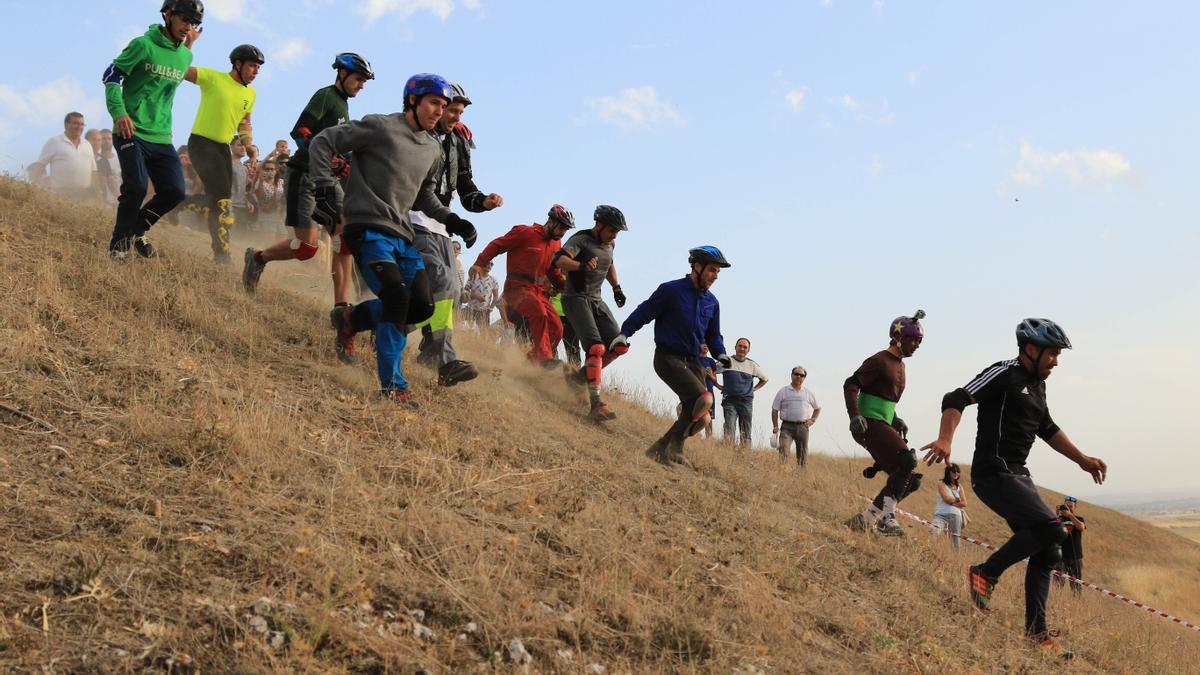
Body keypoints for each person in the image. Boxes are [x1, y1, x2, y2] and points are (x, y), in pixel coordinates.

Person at [920, 318, 1107, 658]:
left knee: (1049, 550)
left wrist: (1081, 459)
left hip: (1018, 474)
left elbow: (1047, 428)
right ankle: (985, 572)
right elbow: (956, 397)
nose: (1056, 361)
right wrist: (946, 438)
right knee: (1054, 530)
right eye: (1052, 353)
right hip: (993, 472)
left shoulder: (1038, 385)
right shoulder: (1004, 372)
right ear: (1030, 349)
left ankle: (1037, 633)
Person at [309, 73, 472, 403]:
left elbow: (425, 195)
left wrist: (452, 219)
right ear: (412, 100)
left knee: (421, 306)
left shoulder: (432, 150)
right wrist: (325, 188)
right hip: (366, 227)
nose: (439, 111)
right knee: (397, 298)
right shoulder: (380, 127)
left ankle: (351, 319)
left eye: (443, 106)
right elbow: (322, 142)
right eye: (433, 103)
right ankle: (393, 386)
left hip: (402, 234)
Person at [242, 53, 374, 341]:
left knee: (344, 238)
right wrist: (326, 154)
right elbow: (300, 132)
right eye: (358, 79)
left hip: (328, 181)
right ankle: (258, 257)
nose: (361, 85)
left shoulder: (344, 107)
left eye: (364, 82)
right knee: (307, 249)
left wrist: (346, 162)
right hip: (302, 176)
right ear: (341, 73)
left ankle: (340, 309)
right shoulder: (326, 96)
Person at [407, 82, 504, 386]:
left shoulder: (460, 142)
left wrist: (483, 202)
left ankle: (380, 325)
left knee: (442, 296)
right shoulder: (419, 135)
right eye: (452, 110)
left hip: (442, 227)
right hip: (413, 218)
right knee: (446, 285)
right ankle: (445, 358)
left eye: (460, 113)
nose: (454, 117)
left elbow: (465, 189)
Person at [103, 0, 202, 258]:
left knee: (174, 191)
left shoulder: (185, 56)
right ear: (168, 14)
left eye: (193, 23)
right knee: (135, 187)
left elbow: (168, 74)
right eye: (184, 20)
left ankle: (136, 230)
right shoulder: (142, 45)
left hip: (161, 135)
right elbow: (111, 75)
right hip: (130, 129)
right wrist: (119, 113)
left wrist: (188, 44)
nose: (188, 27)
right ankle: (119, 247)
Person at [615, 246, 732, 467]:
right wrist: (624, 333)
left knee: (701, 417)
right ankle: (673, 448)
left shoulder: (712, 302)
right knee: (704, 399)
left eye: (718, 272)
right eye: (712, 270)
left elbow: (713, 335)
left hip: (693, 361)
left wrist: (721, 353)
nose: (715, 276)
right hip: (668, 358)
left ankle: (661, 449)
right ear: (697, 266)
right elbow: (645, 312)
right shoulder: (671, 290)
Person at [843, 310, 926, 537]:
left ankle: (866, 519)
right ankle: (887, 520)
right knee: (907, 461)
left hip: (883, 421)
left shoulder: (901, 365)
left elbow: (884, 397)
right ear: (899, 337)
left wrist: (895, 419)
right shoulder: (879, 360)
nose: (917, 345)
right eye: (913, 339)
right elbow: (851, 383)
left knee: (910, 480)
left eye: (920, 341)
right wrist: (854, 415)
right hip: (868, 423)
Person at [184, 43, 262, 263]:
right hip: (201, 142)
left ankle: (174, 204)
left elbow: (245, 123)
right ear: (237, 64)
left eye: (258, 68)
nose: (256, 72)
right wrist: (187, 44)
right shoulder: (214, 78)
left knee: (221, 199)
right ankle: (222, 253)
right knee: (221, 200)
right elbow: (181, 69)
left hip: (222, 149)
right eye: (252, 66)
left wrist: (249, 146)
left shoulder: (251, 93)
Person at [471, 206, 573, 367]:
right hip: (516, 289)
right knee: (539, 313)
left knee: (557, 328)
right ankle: (545, 359)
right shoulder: (525, 232)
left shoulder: (556, 244)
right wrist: (479, 263)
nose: (562, 232)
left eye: (566, 230)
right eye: (561, 227)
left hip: (538, 292)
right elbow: (497, 245)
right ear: (551, 221)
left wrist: (562, 285)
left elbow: (553, 270)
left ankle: (532, 362)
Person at [555, 205, 630, 421]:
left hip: (596, 299)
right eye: (611, 230)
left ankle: (577, 378)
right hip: (575, 298)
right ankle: (596, 404)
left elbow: (609, 263)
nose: (614, 235)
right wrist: (581, 266)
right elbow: (559, 260)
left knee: (619, 345)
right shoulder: (581, 240)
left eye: (617, 231)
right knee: (596, 348)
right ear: (599, 225)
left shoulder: (610, 243)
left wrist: (617, 288)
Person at [28, 112, 97, 202]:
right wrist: (36, 186)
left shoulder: (87, 144)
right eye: (75, 123)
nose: (79, 127)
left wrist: (97, 192)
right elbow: (40, 165)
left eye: (82, 124)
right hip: (62, 195)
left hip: (85, 195)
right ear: (66, 125)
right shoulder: (54, 142)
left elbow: (94, 171)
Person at [719, 338, 768, 446]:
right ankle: (727, 454)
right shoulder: (727, 361)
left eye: (745, 347)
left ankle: (744, 457)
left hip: (746, 402)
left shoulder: (752, 365)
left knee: (746, 432)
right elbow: (711, 371)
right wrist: (717, 384)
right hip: (729, 401)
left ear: (748, 350)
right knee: (729, 428)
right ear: (735, 347)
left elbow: (765, 379)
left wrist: (754, 389)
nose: (742, 349)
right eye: (740, 346)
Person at [770, 366, 820, 466]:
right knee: (783, 451)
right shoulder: (783, 391)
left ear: (804, 378)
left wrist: (812, 420)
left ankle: (801, 478)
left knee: (802, 457)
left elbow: (817, 408)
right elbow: (775, 410)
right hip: (786, 428)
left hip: (803, 427)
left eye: (801, 375)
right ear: (791, 375)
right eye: (796, 374)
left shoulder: (807, 393)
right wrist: (775, 426)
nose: (798, 376)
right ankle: (783, 475)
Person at [1054, 496, 1086, 595]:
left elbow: (1081, 527)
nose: (1068, 508)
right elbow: (1051, 531)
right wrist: (1057, 516)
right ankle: (1056, 604)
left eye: (1071, 506)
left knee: (1076, 587)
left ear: (1075, 507)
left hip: (1076, 557)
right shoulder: (1058, 519)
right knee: (1057, 586)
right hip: (1060, 557)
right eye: (1066, 506)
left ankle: (1077, 605)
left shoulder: (1079, 519)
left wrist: (1070, 515)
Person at [929, 464, 967, 549]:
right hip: (941, 514)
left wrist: (952, 501)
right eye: (954, 471)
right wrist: (957, 500)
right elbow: (946, 499)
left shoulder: (960, 487)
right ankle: (933, 550)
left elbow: (964, 503)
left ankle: (956, 559)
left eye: (958, 472)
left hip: (956, 515)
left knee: (955, 541)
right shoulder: (941, 483)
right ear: (948, 472)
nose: (956, 473)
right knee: (933, 530)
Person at [463, 261, 500, 328]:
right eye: (488, 263)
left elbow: (496, 297)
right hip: (470, 309)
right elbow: (465, 291)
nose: (489, 265)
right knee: (459, 325)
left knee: (483, 335)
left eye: (491, 264)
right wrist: (475, 296)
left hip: (483, 312)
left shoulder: (493, 280)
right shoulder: (473, 276)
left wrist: (489, 309)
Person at [229, 138, 252, 229]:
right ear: (231, 147)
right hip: (229, 205)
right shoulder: (227, 164)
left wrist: (247, 201)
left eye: (244, 146)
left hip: (242, 207)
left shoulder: (244, 168)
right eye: (239, 145)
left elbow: (243, 189)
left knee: (240, 236)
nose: (243, 148)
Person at [96, 129, 122, 205]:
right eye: (103, 138)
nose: (107, 141)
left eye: (109, 138)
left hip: (118, 200)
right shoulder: (96, 160)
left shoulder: (119, 159)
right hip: (102, 202)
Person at [699, 343, 719, 438]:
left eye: (707, 344)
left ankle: (709, 438)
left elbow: (715, 380)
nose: (706, 346)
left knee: (709, 416)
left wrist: (710, 374)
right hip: (697, 390)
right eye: (703, 343)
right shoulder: (693, 359)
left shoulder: (711, 361)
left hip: (709, 391)